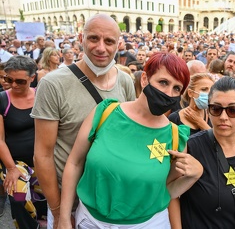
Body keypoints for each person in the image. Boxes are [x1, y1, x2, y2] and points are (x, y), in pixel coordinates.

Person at [58, 52, 203, 228]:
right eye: (163, 82)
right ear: (144, 79)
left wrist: (192, 177)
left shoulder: (175, 137)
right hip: (91, 221)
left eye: (176, 88)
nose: (168, 93)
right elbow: (74, 163)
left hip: (146, 224)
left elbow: (164, 191)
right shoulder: (105, 113)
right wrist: (64, 217)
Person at [31, 14, 136, 229]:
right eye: (93, 38)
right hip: (68, 202)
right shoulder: (53, 84)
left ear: (118, 44)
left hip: (109, 201)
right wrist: (59, 211)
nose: (101, 48)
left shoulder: (125, 81)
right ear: (81, 38)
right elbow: (42, 155)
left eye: (109, 41)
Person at [180, 76, 235, 229]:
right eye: (216, 109)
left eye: (233, 110)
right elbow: (173, 195)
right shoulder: (192, 147)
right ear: (208, 111)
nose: (223, 117)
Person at [0, 56, 46, 228]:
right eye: (8, 79)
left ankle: (42, 222)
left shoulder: (42, 95)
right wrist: (11, 168)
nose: (13, 85)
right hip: (15, 163)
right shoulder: (3, 99)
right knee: (18, 199)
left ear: (32, 78)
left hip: (42, 160)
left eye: (20, 81)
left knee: (42, 199)